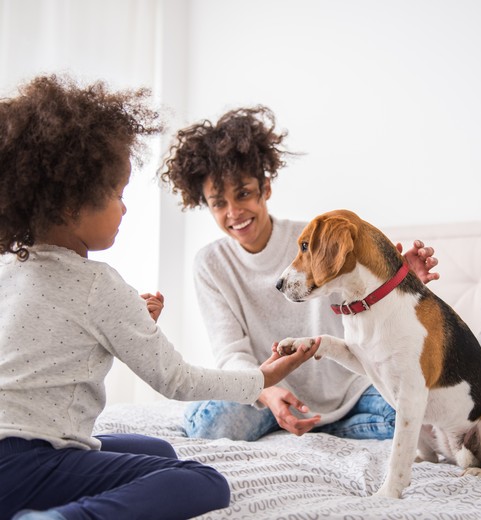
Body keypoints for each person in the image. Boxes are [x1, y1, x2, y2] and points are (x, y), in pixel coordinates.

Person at [0, 76, 319, 520]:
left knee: (156, 449)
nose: (125, 209)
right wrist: (262, 379)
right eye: (117, 194)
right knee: (200, 480)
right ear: (71, 204)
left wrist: (133, 323)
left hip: (14, 449)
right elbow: (178, 381)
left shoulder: (7, 268)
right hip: (24, 464)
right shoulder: (97, 284)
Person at [158, 106, 439, 442]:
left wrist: (397, 284)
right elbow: (231, 352)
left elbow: (362, 303)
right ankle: (307, 422)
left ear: (265, 189)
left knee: (421, 419)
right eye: (219, 203)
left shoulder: (315, 239)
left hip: (348, 388)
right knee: (210, 426)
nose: (234, 212)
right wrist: (266, 391)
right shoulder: (210, 263)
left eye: (244, 193)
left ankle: (321, 424)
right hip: (266, 388)